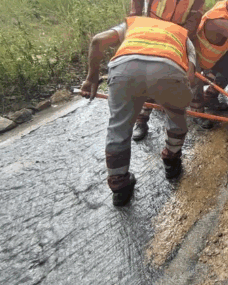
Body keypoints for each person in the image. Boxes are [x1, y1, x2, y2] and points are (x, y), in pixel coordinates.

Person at [80, 16, 197, 206]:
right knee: (177, 116)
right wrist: (173, 98)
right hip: (168, 71)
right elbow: (190, 77)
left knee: (118, 127)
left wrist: (91, 78)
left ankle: (119, 186)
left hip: (124, 70)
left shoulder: (134, 23)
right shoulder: (183, 35)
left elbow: (97, 41)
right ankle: (171, 161)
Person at [129, 0, 207, 141]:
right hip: (152, 30)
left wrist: (179, 36)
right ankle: (141, 119)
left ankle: (193, 108)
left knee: (191, 68)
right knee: (147, 76)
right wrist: (136, 17)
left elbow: (194, 18)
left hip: (177, 35)